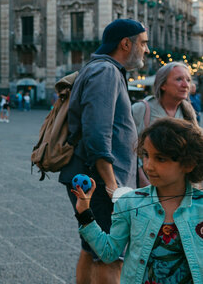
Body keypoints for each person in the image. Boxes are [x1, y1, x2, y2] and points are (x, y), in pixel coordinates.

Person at [61, 18, 149, 284]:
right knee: (111, 256)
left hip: (90, 177)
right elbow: (97, 133)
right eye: (143, 43)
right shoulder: (106, 72)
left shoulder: (101, 69)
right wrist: (113, 184)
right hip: (100, 181)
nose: (146, 49)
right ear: (126, 43)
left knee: (92, 249)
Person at [72, 117, 203, 284]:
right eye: (146, 155)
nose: (148, 166)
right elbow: (108, 252)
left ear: (189, 164)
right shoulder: (130, 203)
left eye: (160, 158)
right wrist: (85, 213)